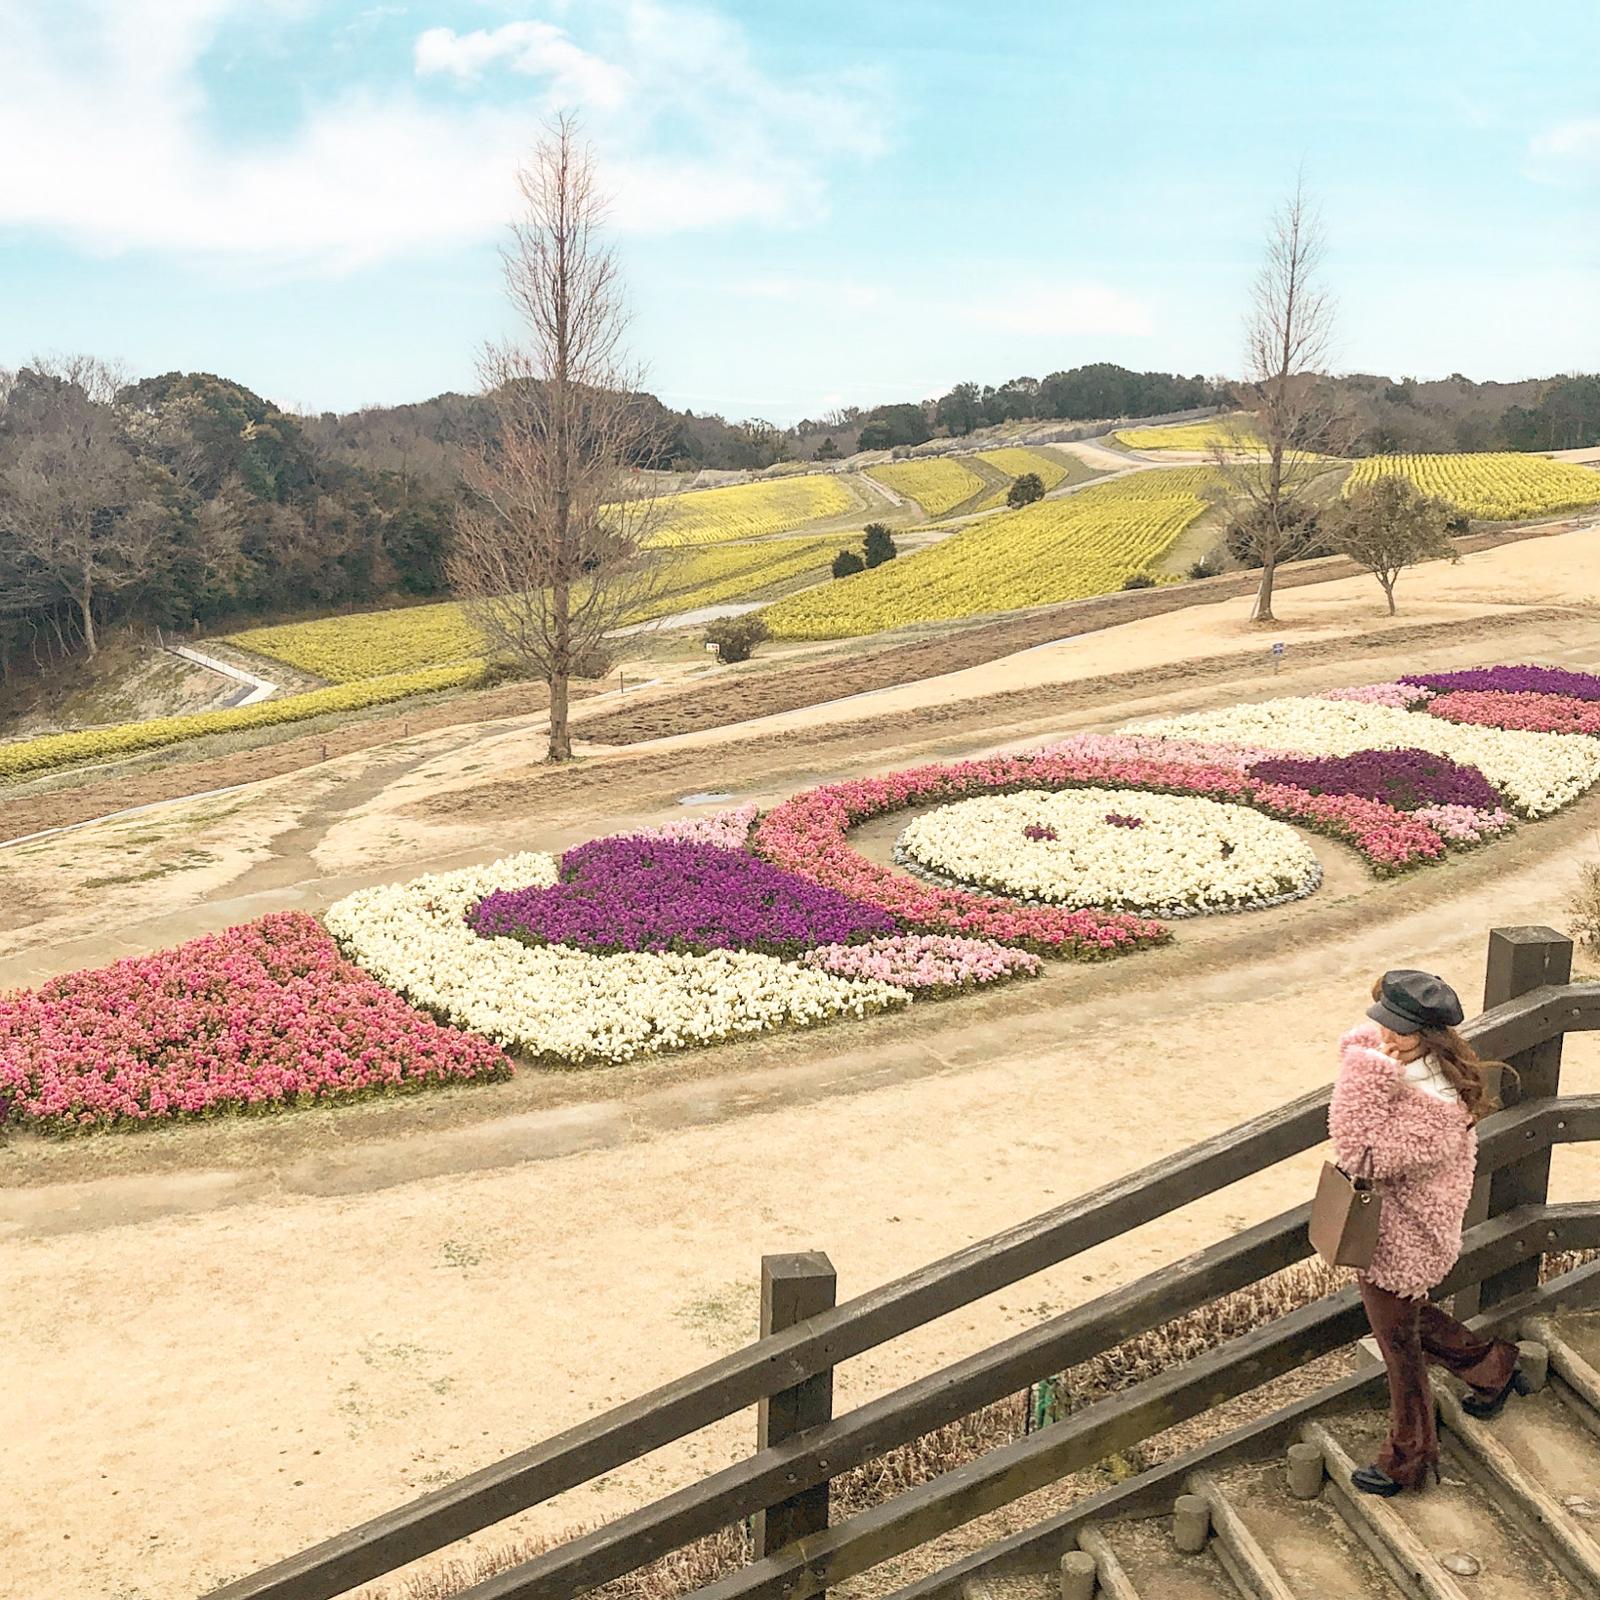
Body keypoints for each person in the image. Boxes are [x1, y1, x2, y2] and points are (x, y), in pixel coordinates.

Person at [1328, 968, 1529, 1495]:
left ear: (1429, 1036)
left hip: (1404, 1243)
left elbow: (1359, 1151)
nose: (1386, 1036)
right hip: (1394, 1231)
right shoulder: (1420, 1067)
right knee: (1406, 1324)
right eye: (1384, 1023)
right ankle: (1493, 1367)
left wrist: (1364, 1068)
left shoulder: (1436, 1109)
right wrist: (1373, 1053)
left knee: (1400, 1351)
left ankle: (1409, 1458)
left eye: (1400, 1030)